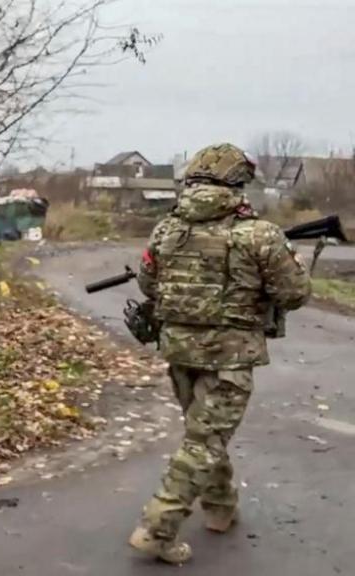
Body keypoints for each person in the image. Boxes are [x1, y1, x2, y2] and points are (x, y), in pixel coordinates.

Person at [127, 143, 312, 564]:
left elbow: (148, 284)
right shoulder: (259, 234)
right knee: (204, 440)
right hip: (229, 356)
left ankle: (220, 507)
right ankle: (157, 529)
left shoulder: (167, 228)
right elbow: (295, 293)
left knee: (205, 435)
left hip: (178, 351)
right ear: (238, 184)